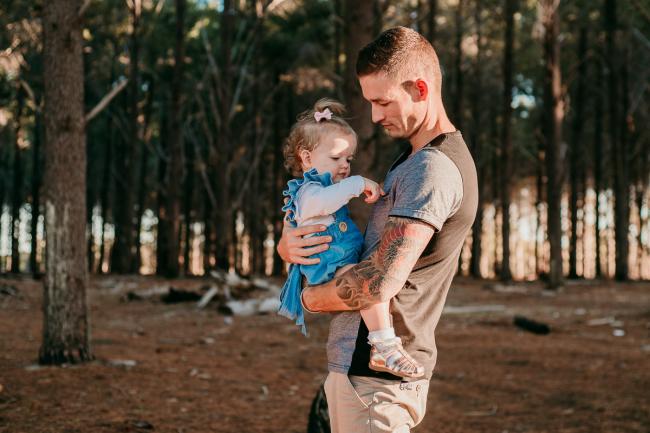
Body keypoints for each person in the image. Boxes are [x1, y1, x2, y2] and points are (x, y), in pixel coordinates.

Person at [277, 26, 478, 433]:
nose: (374, 115)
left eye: (382, 101)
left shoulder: (431, 168)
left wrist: (308, 298)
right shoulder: (414, 160)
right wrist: (288, 244)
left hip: (375, 378)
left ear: (420, 89)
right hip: (368, 374)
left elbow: (377, 283)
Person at [278, 98, 425, 379]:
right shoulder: (309, 191)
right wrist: (356, 184)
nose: (344, 166)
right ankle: (384, 346)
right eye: (336, 158)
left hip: (338, 258)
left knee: (372, 286)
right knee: (367, 287)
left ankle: (384, 342)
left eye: (348, 159)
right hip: (328, 264)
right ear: (306, 157)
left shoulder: (329, 187)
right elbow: (321, 203)